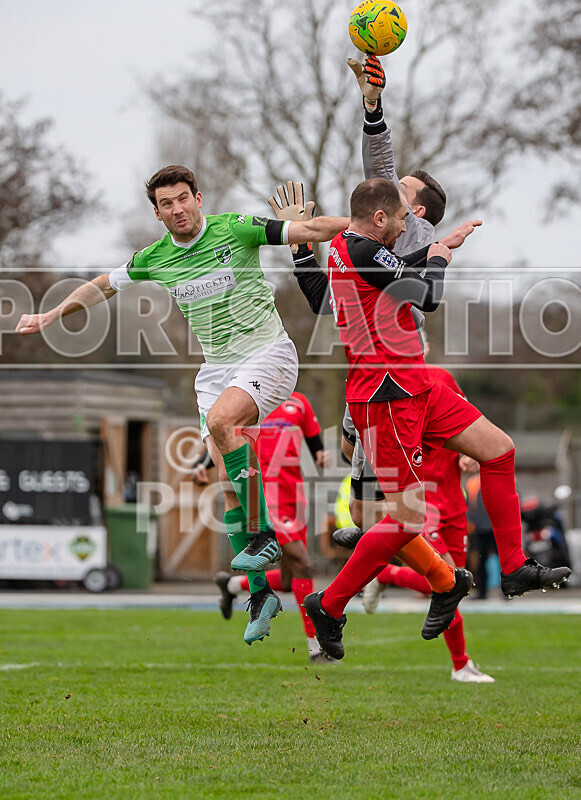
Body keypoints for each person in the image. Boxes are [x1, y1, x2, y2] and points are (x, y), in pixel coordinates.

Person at [15, 167, 349, 645]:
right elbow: (102, 284)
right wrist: (51, 314)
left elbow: (310, 229)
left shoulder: (235, 229)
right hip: (216, 371)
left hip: (268, 354)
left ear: (198, 198)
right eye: (166, 204)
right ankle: (260, 595)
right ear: (157, 213)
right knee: (227, 485)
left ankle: (264, 536)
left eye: (183, 199)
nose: (177, 209)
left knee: (221, 421)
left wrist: (369, 225)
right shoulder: (156, 257)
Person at [301, 177, 570, 661]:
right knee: (406, 519)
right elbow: (426, 294)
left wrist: (438, 245)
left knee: (499, 450)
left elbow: (395, 268)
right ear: (379, 218)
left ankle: (513, 568)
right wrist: (442, 257)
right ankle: (330, 603)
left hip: (416, 384)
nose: (406, 222)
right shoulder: (360, 249)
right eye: (400, 216)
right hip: (386, 395)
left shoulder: (349, 246)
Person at [206, 391, 332, 662]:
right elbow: (223, 431)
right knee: (303, 564)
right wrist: (204, 464)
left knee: (288, 579)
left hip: (293, 495)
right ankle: (316, 646)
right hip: (265, 493)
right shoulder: (248, 397)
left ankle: (233, 585)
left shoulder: (299, 402)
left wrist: (320, 454)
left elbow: (314, 440)